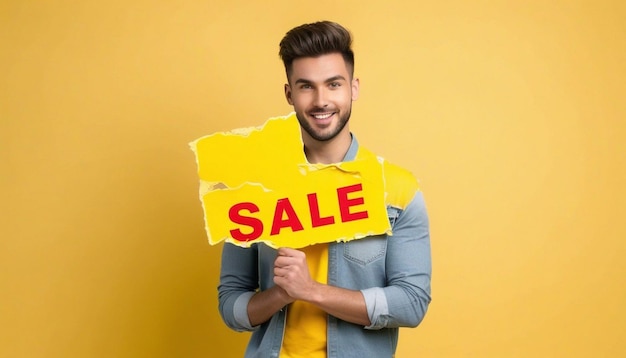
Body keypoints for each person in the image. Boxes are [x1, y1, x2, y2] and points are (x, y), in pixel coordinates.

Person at [218, 21, 431, 358]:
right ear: (289, 93)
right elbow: (230, 305)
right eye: (306, 86)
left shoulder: (397, 191)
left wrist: (311, 291)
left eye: (333, 84)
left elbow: (412, 303)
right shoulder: (252, 188)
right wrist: (282, 294)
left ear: (353, 88)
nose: (321, 101)